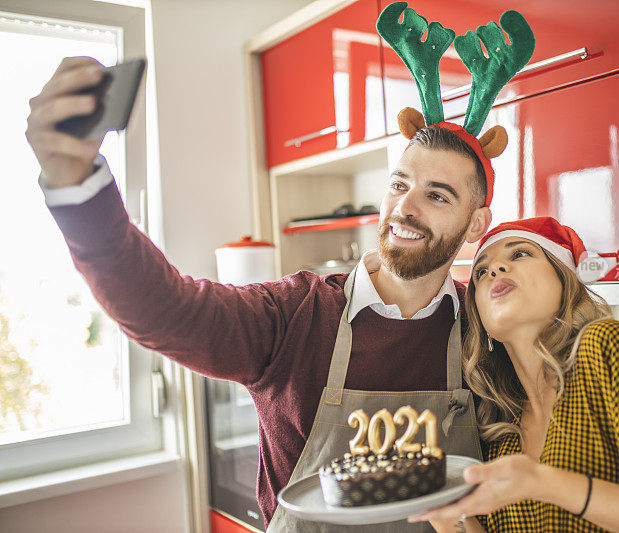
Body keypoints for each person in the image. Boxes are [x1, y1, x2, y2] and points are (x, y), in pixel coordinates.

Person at [24, 56, 498, 532]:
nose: (405, 208)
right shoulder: (294, 314)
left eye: (437, 196)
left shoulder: (486, 327)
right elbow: (162, 309)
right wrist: (78, 189)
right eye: (399, 184)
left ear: (475, 224)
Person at [411, 217, 619, 532]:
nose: (494, 269)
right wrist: (441, 507)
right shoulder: (499, 425)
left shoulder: (609, 348)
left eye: (521, 254)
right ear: (482, 322)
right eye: (480, 271)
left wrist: (543, 483)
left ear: (565, 279)